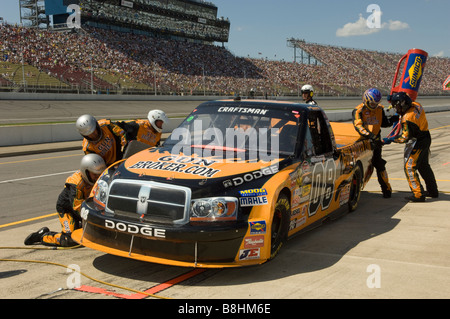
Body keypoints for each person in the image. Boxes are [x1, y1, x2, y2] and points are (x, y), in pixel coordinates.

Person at [24, 154, 106, 247]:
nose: (97, 177)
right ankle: (42, 236)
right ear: (86, 171)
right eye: (94, 174)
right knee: (69, 240)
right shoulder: (76, 184)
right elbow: (77, 209)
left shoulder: (100, 180)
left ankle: (77, 227)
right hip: (67, 209)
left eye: (100, 174)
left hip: (82, 207)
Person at [383, 92, 438, 202]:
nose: (395, 108)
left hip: (418, 142)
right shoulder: (417, 105)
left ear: (403, 104)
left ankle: (418, 194)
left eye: (396, 106)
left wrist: (391, 139)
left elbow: (404, 137)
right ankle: (433, 191)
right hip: (426, 136)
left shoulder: (407, 119)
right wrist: (395, 104)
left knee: (409, 167)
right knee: (424, 166)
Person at [353, 88, 396, 198]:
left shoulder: (379, 109)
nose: (374, 106)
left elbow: (384, 123)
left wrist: (393, 119)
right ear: (366, 100)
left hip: (376, 141)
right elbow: (358, 126)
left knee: (379, 163)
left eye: (376, 104)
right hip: (363, 141)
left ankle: (386, 188)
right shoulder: (358, 111)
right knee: (360, 165)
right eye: (372, 103)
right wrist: (370, 136)